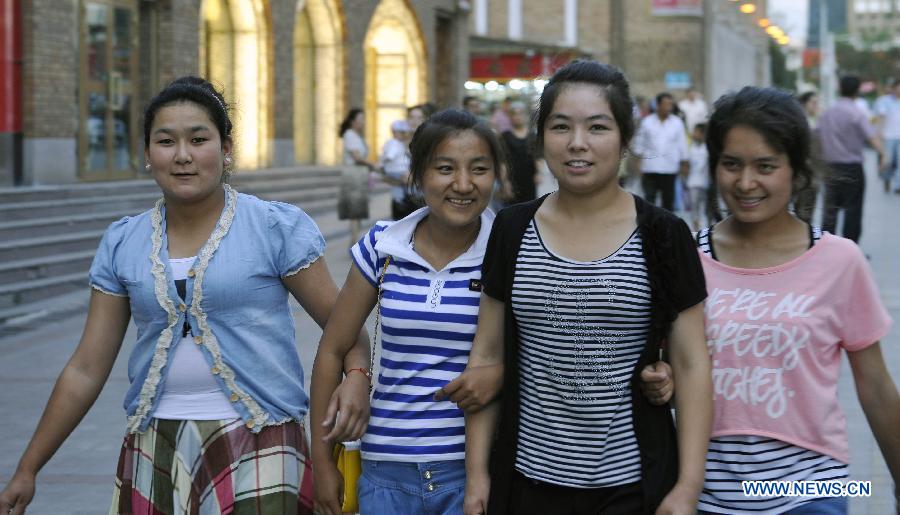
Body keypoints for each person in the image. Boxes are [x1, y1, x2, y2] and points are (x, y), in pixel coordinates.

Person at [0, 76, 369, 514]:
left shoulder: (273, 228)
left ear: (226, 149)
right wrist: (28, 467)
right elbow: (85, 368)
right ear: (146, 154)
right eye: (165, 141)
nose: (182, 156)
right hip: (155, 444)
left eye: (199, 139)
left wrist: (358, 378)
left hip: (260, 441)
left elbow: (344, 329)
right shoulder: (124, 242)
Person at [462, 60, 712, 515]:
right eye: (561, 127)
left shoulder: (664, 233)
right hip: (526, 480)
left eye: (597, 127)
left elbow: (693, 363)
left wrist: (687, 487)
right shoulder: (512, 228)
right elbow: (487, 354)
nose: (577, 143)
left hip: (632, 485)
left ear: (624, 138)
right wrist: (478, 475)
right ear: (542, 138)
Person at [692, 86, 900, 514]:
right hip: (704, 495)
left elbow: (875, 385)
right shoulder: (685, 258)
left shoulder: (840, 261)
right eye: (731, 165)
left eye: (765, 166)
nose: (746, 182)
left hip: (811, 492)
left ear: (797, 170)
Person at [309, 109, 507, 515]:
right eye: (446, 168)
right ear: (416, 176)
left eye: (479, 169)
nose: (464, 184)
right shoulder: (384, 245)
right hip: (385, 474)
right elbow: (332, 348)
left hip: (471, 476)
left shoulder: (508, 249)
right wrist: (322, 460)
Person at [818, 75, 888, 243]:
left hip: (830, 167)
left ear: (840, 88)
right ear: (857, 91)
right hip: (852, 168)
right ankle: (850, 249)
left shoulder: (827, 113)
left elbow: (817, 136)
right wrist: (884, 154)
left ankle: (825, 248)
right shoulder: (857, 113)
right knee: (853, 210)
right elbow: (871, 136)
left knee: (830, 210)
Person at [634, 92, 690, 211]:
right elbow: (640, 142)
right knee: (649, 199)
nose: (668, 107)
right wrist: (638, 161)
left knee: (668, 201)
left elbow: (682, 143)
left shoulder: (677, 123)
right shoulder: (647, 122)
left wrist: (685, 162)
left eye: (670, 104)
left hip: (669, 168)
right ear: (658, 106)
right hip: (650, 167)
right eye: (665, 104)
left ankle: (666, 228)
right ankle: (649, 227)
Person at [340, 108, 378, 242]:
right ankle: (354, 240)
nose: (363, 123)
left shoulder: (356, 136)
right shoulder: (350, 134)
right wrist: (372, 164)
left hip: (360, 173)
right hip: (353, 173)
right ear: (352, 121)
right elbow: (356, 156)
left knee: (359, 209)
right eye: (360, 120)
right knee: (355, 210)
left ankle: (354, 239)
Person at [500, 100, 540, 205]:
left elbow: (537, 156)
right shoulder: (505, 136)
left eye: (520, 113)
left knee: (530, 207)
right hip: (512, 179)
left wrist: (538, 173)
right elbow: (503, 161)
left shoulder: (533, 135)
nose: (517, 116)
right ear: (510, 116)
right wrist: (504, 182)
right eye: (514, 113)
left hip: (529, 179)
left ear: (526, 115)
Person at [379, 119, 414, 220]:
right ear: (395, 132)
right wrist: (382, 164)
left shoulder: (396, 143)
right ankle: (399, 201)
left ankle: (399, 201)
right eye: (402, 132)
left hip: (399, 171)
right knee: (398, 190)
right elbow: (390, 156)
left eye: (405, 133)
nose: (404, 135)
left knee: (400, 189)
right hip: (397, 171)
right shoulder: (394, 143)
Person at [874, 79, 900, 193]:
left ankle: (898, 185)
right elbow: (881, 118)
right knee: (888, 161)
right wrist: (879, 133)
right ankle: (886, 179)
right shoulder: (884, 101)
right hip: (888, 136)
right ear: (894, 88)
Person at [686, 122, 709, 231]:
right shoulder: (690, 148)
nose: (694, 134)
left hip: (705, 183)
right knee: (694, 206)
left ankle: (705, 227)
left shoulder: (707, 149)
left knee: (704, 207)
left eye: (697, 132)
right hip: (692, 182)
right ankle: (695, 228)